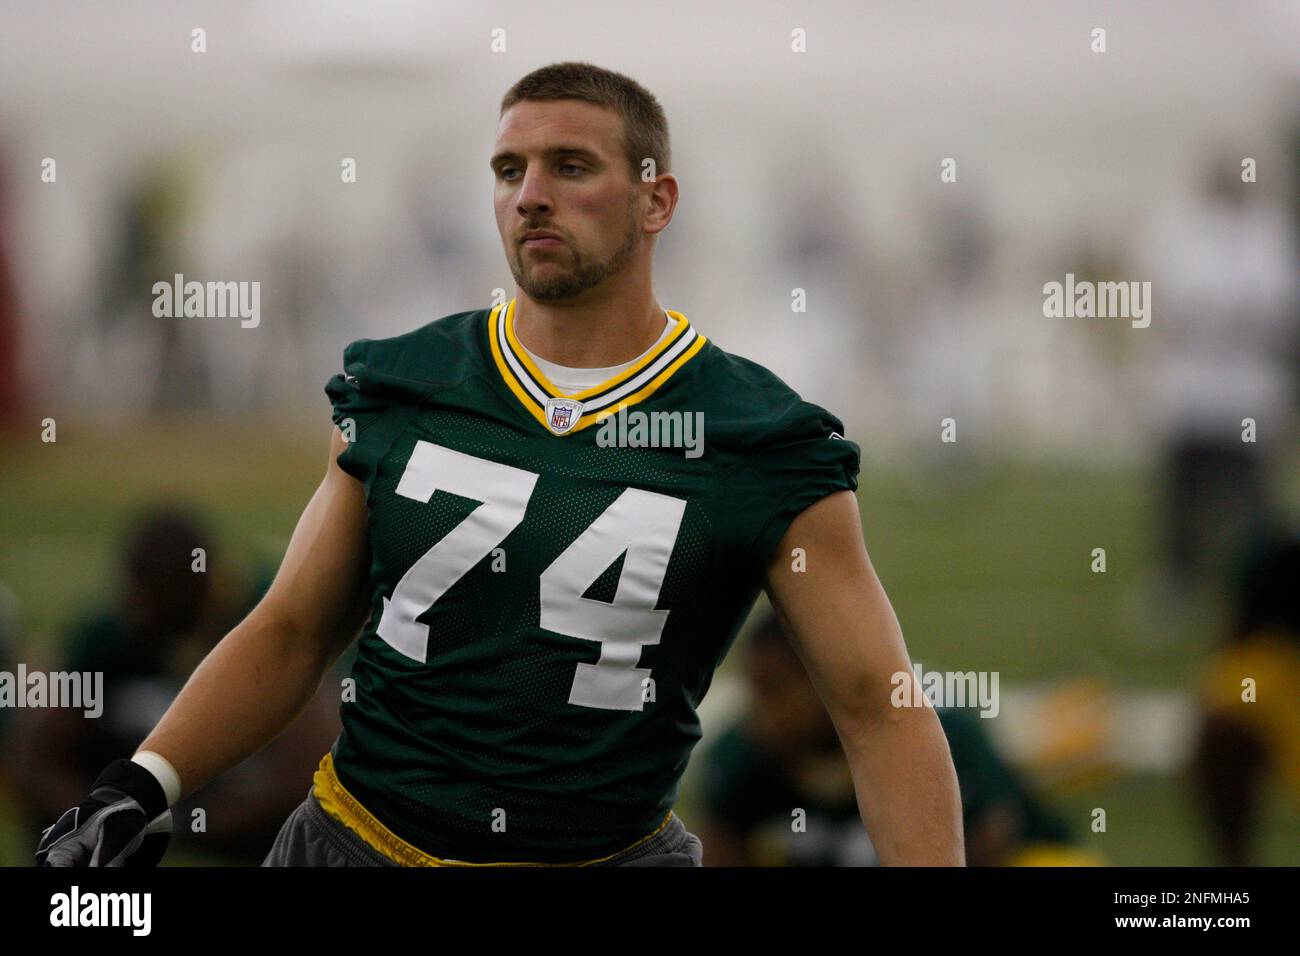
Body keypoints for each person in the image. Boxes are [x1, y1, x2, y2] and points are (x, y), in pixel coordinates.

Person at [37, 61, 962, 868]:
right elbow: (291, 631)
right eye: (509, 170)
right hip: (359, 844)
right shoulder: (404, 383)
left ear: (656, 200)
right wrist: (143, 783)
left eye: (571, 167)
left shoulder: (757, 437)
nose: (530, 195)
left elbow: (877, 707)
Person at [697, 611, 1081, 866]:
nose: (760, 713)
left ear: (825, 680)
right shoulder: (741, 755)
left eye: (775, 690)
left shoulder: (939, 731)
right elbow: (719, 852)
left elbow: (989, 841)